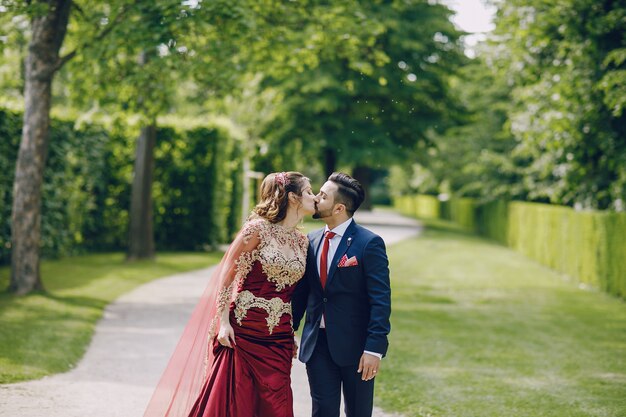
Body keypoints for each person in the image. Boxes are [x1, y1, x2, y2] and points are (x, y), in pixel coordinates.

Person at [143, 171, 316, 417]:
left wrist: (291, 331)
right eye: (309, 191)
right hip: (243, 332)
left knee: (277, 405)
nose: (315, 196)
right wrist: (223, 322)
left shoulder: (303, 242)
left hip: (278, 338)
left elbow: (292, 293)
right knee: (236, 402)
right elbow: (227, 275)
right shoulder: (257, 230)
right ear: (293, 197)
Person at [292, 172, 391, 417]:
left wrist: (374, 349)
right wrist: (288, 329)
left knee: (358, 412)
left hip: (356, 348)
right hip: (317, 345)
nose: (316, 198)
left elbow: (380, 300)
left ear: (338, 208)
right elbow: (302, 294)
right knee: (323, 411)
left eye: (322, 196)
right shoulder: (311, 241)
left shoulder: (369, 243)